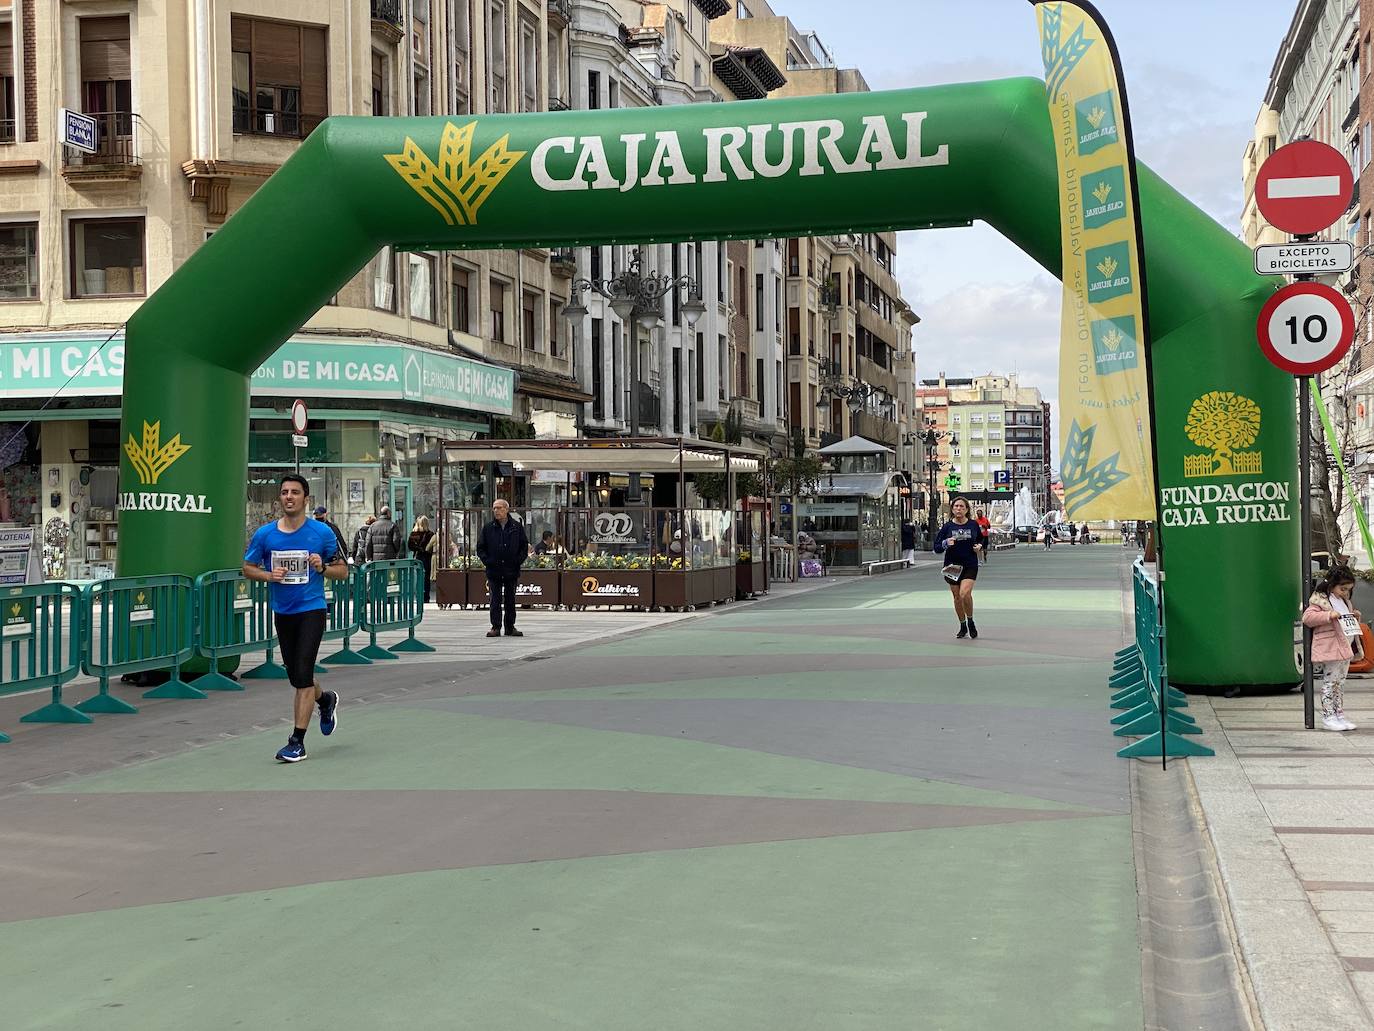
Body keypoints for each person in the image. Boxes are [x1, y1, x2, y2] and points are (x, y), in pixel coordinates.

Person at [243, 474, 349, 763]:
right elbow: (247, 567)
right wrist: (268, 575)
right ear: (280, 498)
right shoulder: (265, 535)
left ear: (306, 499)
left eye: (295, 492)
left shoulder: (322, 533)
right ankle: (325, 700)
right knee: (297, 676)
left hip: (312, 610)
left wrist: (323, 567)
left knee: (303, 673)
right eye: (284, 492)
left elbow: (343, 571)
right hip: (283, 611)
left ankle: (296, 742)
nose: (289, 497)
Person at [1302, 566, 1364, 731]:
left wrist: (1353, 615)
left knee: (1340, 683)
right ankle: (1329, 716)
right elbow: (1308, 617)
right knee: (1330, 682)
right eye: (1342, 588)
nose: (1345, 592)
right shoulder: (1321, 599)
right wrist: (1328, 615)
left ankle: (1338, 714)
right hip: (1332, 646)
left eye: (1348, 589)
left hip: (1344, 646)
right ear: (1332, 585)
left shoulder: (1344, 601)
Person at [933, 496, 987, 639]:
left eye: (962, 506)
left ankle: (970, 621)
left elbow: (981, 539)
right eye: (956, 506)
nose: (959, 509)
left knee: (964, 594)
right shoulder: (947, 527)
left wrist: (979, 546)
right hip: (952, 566)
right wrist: (945, 543)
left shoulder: (973, 525)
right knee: (957, 597)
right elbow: (936, 547)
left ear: (967, 509)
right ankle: (962, 625)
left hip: (970, 564)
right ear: (952, 509)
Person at [477, 499, 528, 638]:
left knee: (510, 599)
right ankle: (496, 626)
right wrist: (488, 561)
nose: (496, 511)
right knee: (495, 600)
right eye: (494, 508)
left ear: (506, 509)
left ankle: (510, 627)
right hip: (494, 570)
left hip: (511, 569)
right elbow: (481, 547)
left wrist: (518, 561)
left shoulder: (516, 527)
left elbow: (524, 546)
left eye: (499, 508)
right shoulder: (488, 528)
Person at [407, 515, 437, 603]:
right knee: (426, 578)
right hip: (427, 557)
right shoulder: (430, 534)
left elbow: (410, 546)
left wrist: (418, 549)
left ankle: (419, 595)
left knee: (418, 577)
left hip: (417, 557)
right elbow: (431, 548)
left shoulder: (414, 533)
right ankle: (425, 596)